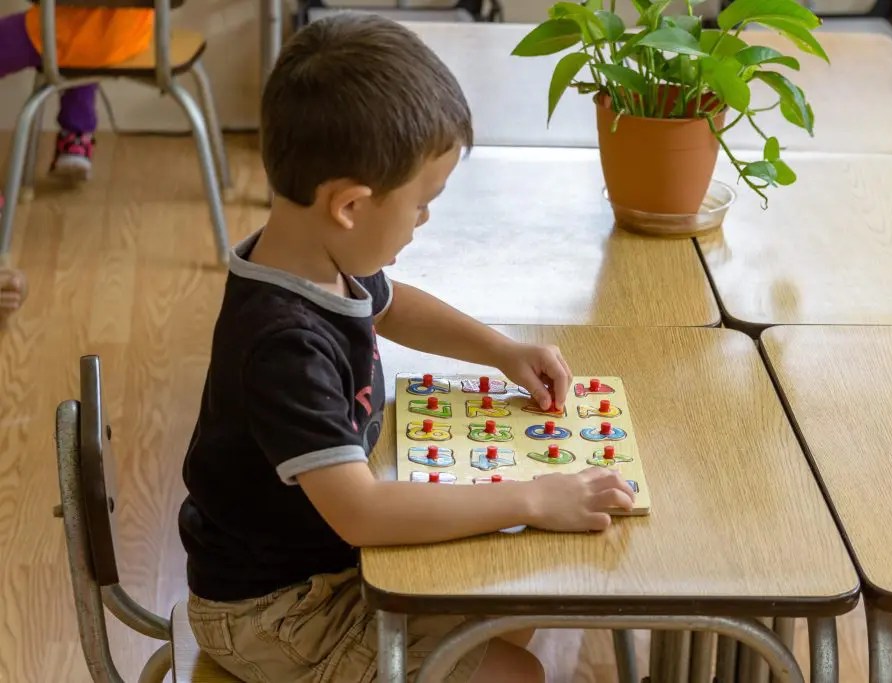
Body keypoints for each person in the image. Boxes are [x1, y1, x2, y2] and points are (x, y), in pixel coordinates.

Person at [178, 12, 636, 683]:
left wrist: (500, 350)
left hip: (320, 567)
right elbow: (363, 511)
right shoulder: (282, 345)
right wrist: (533, 496)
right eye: (423, 203)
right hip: (273, 612)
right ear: (351, 205)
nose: (426, 220)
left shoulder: (313, 252)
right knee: (519, 674)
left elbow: (392, 305)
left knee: (513, 599)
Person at [0, 6, 153, 180]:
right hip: (128, 34)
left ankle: (76, 133)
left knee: (76, 29)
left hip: (68, 32)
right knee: (85, 39)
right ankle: (75, 135)